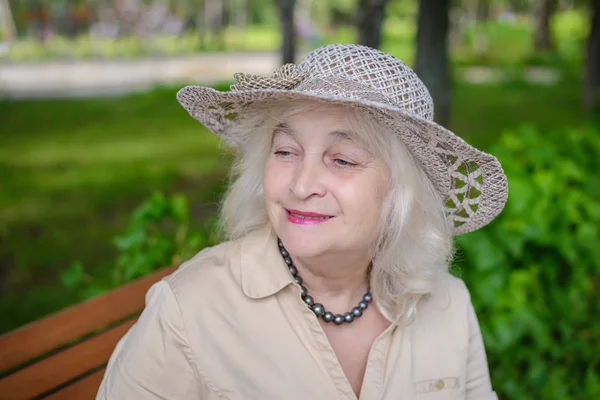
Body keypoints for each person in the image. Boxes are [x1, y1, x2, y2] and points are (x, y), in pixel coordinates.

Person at [97, 44, 507, 399]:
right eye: (286, 151)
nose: (302, 184)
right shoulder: (191, 310)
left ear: (402, 194)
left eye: (342, 159)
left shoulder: (448, 304)